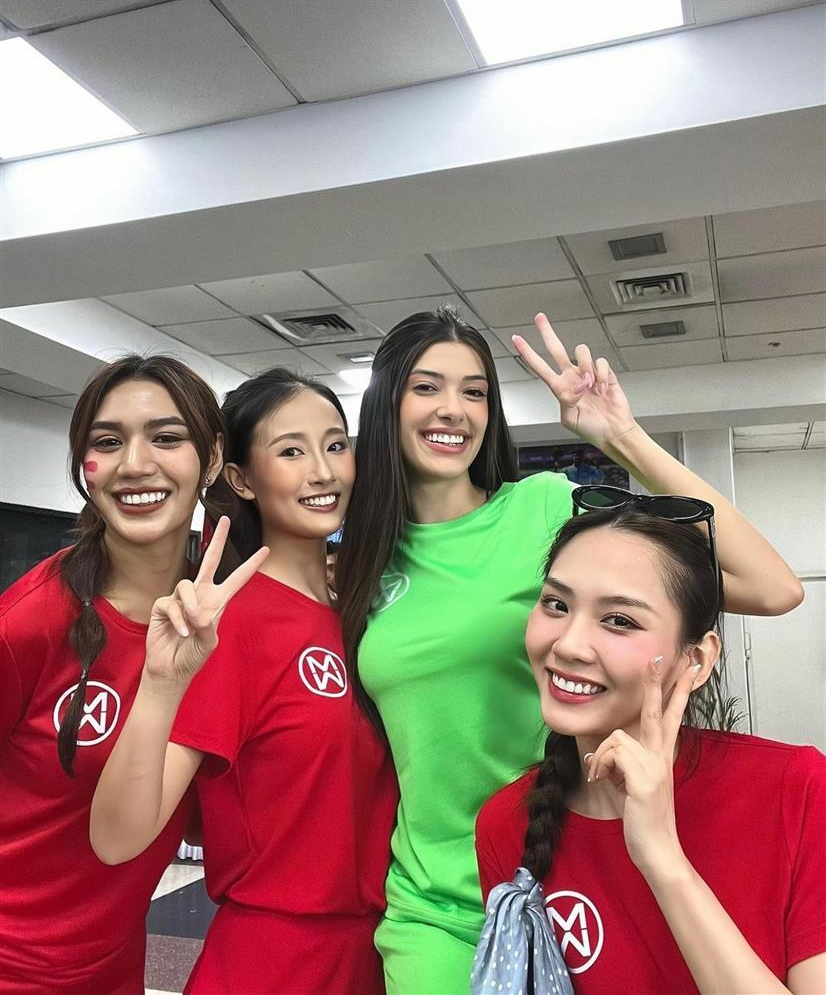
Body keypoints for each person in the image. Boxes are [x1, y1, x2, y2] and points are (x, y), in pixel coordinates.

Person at [335, 305, 804, 994]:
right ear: (385, 404)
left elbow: (771, 587)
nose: (454, 409)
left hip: (569, 876)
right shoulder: (364, 561)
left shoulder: (543, 507)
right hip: (435, 907)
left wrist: (622, 436)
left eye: (474, 391)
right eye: (426, 386)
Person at [91, 368, 398, 995]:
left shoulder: (368, 616)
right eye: (291, 451)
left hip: (378, 953)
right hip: (275, 962)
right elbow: (118, 836)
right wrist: (160, 683)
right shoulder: (230, 623)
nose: (323, 471)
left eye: (336, 445)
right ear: (241, 479)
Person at [474, 490, 825, 993]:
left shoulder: (797, 790)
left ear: (696, 660)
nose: (568, 644)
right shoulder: (505, 823)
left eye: (619, 620)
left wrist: (663, 858)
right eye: (556, 604)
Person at [0, 355, 223, 993]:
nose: (134, 464)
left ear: (211, 459)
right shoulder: (30, 621)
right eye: (107, 442)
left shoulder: (217, 619)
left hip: (114, 966)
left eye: (166, 437)